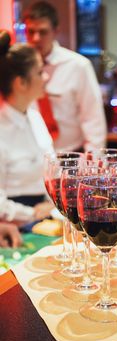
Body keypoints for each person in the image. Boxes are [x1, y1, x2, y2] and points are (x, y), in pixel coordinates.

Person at [23, 1, 107, 152]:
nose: (36, 38)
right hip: (32, 156)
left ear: (56, 31)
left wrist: (92, 164)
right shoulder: (19, 67)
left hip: (71, 154)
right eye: (30, 32)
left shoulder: (78, 66)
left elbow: (93, 119)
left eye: (42, 32)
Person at [0, 30, 54, 223]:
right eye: (39, 72)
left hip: (45, 215)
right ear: (20, 83)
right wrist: (31, 214)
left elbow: (51, 169)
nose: (46, 77)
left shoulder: (34, 117)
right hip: (13, 226)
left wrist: (52, 205)